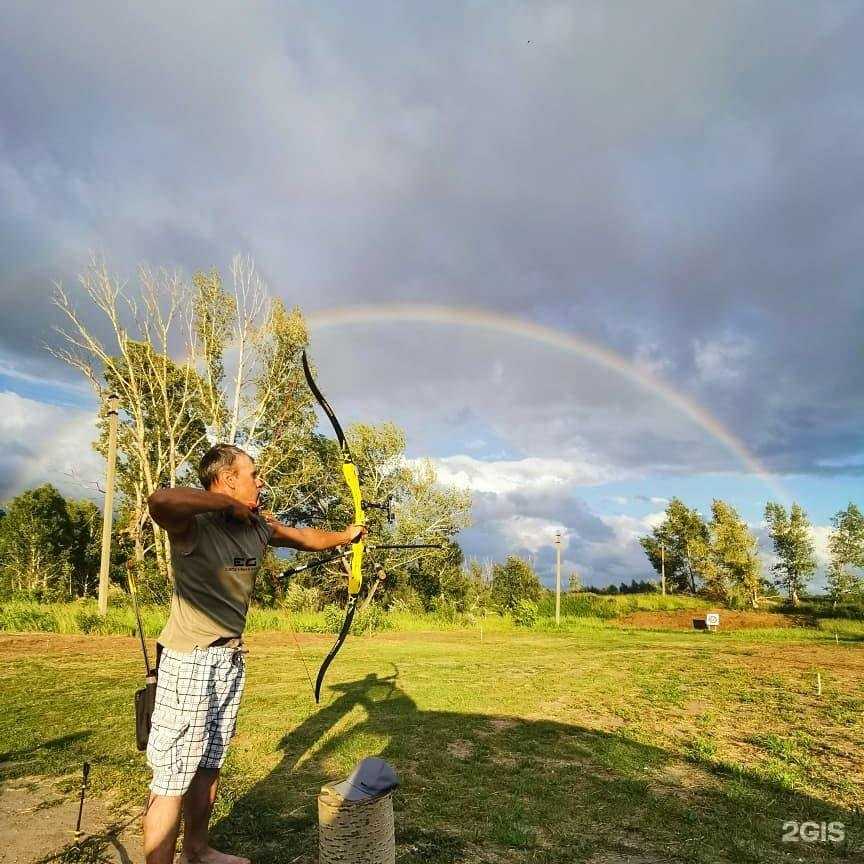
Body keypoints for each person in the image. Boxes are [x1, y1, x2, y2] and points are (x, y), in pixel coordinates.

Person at [143, 443, 365, 864]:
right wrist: (227, 505)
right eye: (253, 474)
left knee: (209, 765)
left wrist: (346, 536)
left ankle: (197, 850)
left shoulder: (258, 526)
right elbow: (160, 500)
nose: (260, 481)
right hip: (189, 659)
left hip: (229, 659)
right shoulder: (195, 525)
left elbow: (304, 538)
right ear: (228, 480)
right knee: (172, 778)